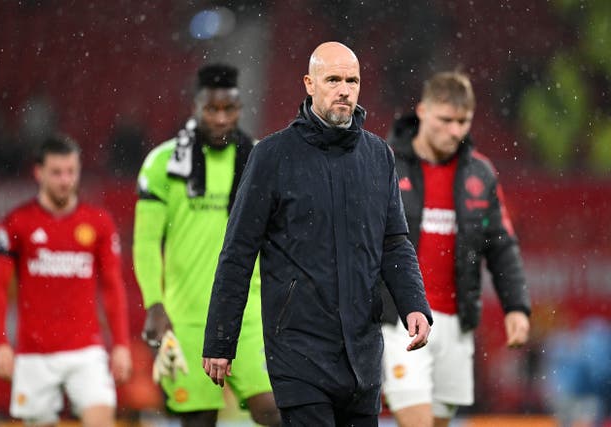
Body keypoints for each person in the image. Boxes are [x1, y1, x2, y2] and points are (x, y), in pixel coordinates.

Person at [202, 41, 433, 427]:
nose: (344, 89)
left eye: (352, 80)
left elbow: (394, 242)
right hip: (298, 350)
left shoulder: (379, 156)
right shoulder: (272, 156)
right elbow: (238, 252)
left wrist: (414, 303)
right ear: (309, 84)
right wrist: (220, 340)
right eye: (333, 79)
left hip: (362, 351)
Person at [380, 70, 531, 427]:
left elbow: (501, 245)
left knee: (436, 423)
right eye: (445, 120)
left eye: (462, 121)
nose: (455, 131)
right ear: (422, 112)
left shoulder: (479, 174)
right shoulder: (385, 164)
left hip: (456, 323)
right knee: (416, 421)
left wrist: (516, 306)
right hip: (401, 319)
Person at [132, 63, 280, 426]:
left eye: (228, 109)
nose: (220, 118)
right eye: (211, 109)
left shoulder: (260, 159)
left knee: (277, 411)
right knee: (200, 421)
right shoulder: (164, 164)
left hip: (249, 316)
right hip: (188, 319)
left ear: (239, 110)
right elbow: (147, 242)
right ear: (196, 108)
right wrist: (154, 304)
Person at [0, 134, 132, 427]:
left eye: (71, 172)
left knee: (102, 420)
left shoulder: (98, 222)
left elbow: (113, 287)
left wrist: (121, 344)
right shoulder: (17, 223)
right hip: (34, 353)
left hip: (86, 350)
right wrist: (0, 342)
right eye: (56, 172)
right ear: (38, 172)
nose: (65, 180)